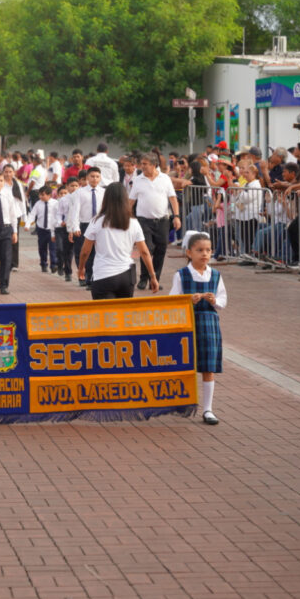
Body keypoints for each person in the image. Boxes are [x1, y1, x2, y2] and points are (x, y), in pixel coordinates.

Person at [169, 232, 226, 425]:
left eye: (208, 250)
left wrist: (214, 301)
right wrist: (187, 301)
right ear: (189, 252)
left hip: (209, 323)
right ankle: (184, 402)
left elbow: (223, 300)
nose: (205, 254)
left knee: (208, 366)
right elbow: (172, 300)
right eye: (199, 250)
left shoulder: (216, 275)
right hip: (188, 323)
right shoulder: (182, 275)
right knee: (186, 363)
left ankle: (208, 408)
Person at [78, 182, 159, 299]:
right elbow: (145, 252)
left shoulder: (97, 221)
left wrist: (81, 268)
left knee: (105, 315)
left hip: (103, 275)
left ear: (106, 199)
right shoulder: (133, 222)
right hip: (127, 276)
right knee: (123, 315)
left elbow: (85, 251)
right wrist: (153, 276)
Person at [128, 154, 180, 290]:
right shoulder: (138, 180)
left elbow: (173, 198)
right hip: (143, 221)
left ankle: (155, 279)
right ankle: (144, 278)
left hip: (162, 220)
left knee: (160, 250)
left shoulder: (165, 179)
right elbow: (131, 201)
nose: (142, 166)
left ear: (154, 165)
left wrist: (176, 216)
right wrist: (126, 218)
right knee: (147, 249)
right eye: (142, 164)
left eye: (145, 164)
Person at [68, 166, 105, 289]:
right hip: (84, 225)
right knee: (84, 252)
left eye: (97, 176)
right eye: (92, 176)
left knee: (97, 253)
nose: (94, 179)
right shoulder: (80, 192)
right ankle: (83, 276)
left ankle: (93, 278)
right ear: (87, 178)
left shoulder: (104, 192)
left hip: (99, 225)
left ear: (100, 178)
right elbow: (75, 211)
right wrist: (75, 227)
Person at [26, 185, 60, 273]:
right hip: (41, 229)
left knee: (53, 248)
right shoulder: (38, 204)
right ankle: (43, 264)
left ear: (49, 195)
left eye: (43, 194)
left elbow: (58, 215)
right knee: (42, 248)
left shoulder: (55, 203)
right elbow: (33, 214)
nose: (41, 196)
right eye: (40, 195)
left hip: (51, 229)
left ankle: (54, 264)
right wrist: (28, 224)